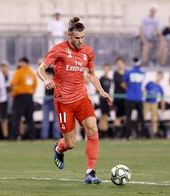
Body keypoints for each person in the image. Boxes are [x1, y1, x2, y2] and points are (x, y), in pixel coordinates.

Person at [36, 17, 112, 184]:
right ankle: (59, 148)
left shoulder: (88, 52)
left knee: (93, 129)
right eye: (77, 38)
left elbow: (91, 74)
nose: (80, 41)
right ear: (68, 35)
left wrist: (101, 91)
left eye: (82, 37)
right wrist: (46, 80)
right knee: (71, 143)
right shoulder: (58, 50)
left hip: (82, 98)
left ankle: (90, 173)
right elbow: (40, 69)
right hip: (63, 102)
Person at [10, 57, 37, 140]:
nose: (19, 64)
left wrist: (12, 93)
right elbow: (35, 85)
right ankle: (32, 137)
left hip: (19, 97)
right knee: (30, 118)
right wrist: (31, 93)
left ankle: (14, 136)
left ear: (24, 63)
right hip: (29, 97)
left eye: (20, 62)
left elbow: (13, 83)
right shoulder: (32, 73)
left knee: (16, 118)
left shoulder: (19, 72)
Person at [124, 57, 146, 139]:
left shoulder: (128, 72)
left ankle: (129, 135)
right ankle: (141, 134)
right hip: (138, 97)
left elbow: (125, 83)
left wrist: (129, 89)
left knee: (129, 117)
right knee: (140, 118)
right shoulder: (142, 72)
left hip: (130, 97)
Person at [40, 59, 60, 140]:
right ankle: (44, 137)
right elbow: (40, 65)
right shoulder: (46, 70)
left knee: (56, 121)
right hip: (47, 98)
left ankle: (56, 136)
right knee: (45, 120)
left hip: (55, 98)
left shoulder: (57, 71)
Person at [144, 71, 165, 138]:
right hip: (147, 102)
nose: (159, 78)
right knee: (143, 117)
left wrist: (162, 107)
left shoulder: (160, 87)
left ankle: (154, 133)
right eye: (158, 76)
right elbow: (144, 91)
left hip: (154, 103)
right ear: (156, 75)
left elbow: (162, 98)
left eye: (161, 77)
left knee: (154, 119)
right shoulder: (150, 83)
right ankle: (141, 131)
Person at [0, 61, 11, 139]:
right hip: (2, 100)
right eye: (2, 67)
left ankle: (14, 134)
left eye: (5, 66)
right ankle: (5, 135)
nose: (4, 68)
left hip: (11, 100)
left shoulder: (11, 76)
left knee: (13, 117)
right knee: (3, 118)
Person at [113, 57, 126, 138]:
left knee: (125, 116)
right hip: (118, 98)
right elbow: (121, 84)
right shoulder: (116, 74)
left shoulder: (127, 73)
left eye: (121, 63)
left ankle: (124, 133)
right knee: (117, 116)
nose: (120, 65)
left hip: (126, 98)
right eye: (118, 64)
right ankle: (117, 134)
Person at [98, 63, 112, 139]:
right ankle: (101, 132)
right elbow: (97, 89)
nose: (106, 70)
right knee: (102, 116)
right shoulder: (101, 79)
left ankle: (105, 132)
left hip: (107, 100)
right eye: (105, 68)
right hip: (102, 100)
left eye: (108, 69)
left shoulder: (110, 80)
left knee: (106, 116)